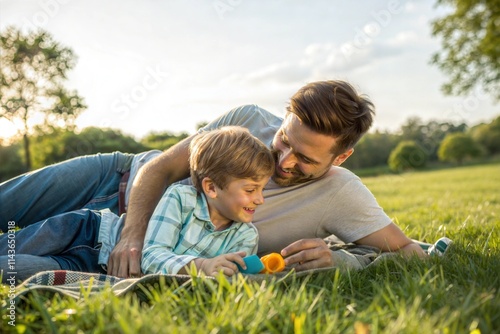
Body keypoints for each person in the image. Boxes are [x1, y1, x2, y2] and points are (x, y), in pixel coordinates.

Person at [0, 79, 427, 279]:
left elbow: (412, 252)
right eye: (283, 140)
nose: (283, 160)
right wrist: (135, 233)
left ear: (343, 155)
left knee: (12, 259)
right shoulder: (246, 118)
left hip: (116, 247)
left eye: (305, 158)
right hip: (116, 176)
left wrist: (343, 259)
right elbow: (162, 167)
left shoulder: (343, 194)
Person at [0, 126, 275, 283]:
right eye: (251, 190)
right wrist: (201, 265)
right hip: (87, 230)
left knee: (13, 270)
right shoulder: (180, 199)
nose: (260, 199)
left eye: (261, 189)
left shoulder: (245, 237)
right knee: (10, 246)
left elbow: (228, 282)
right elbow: (151, 255)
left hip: (96, 270)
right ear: (211, 187)